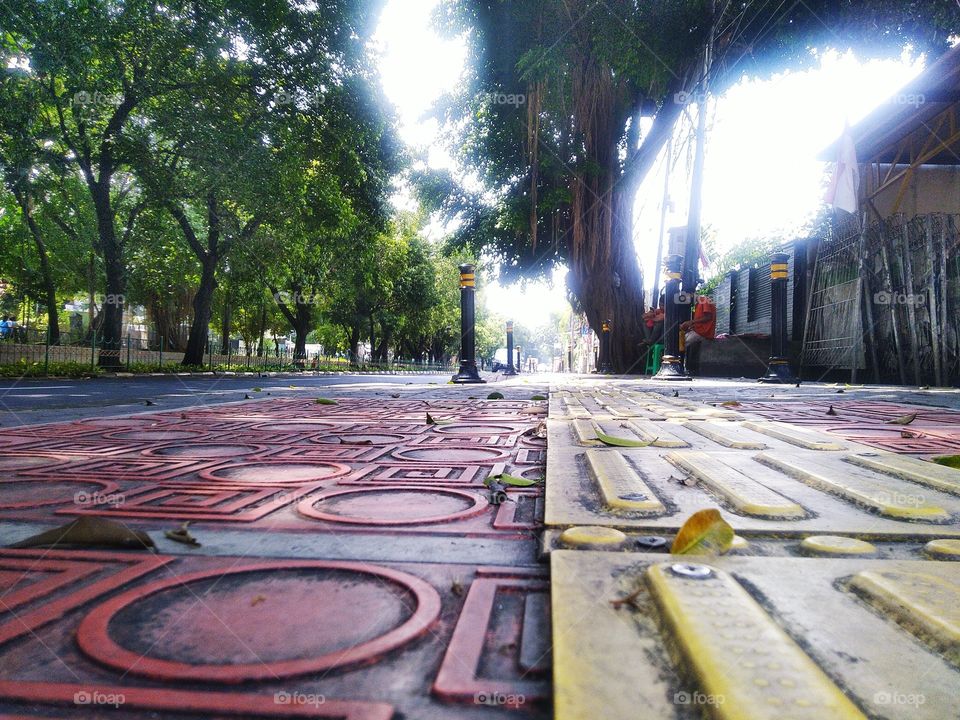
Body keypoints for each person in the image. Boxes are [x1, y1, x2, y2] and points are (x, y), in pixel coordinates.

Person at [680, 295, 716, 375]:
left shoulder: (704, 299)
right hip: (699, 331)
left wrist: (691, 322)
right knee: (681, 338)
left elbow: (708, 317)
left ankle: (681, 367)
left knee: (681, 343)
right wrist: (691, 326)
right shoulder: (698, 303)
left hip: (704, 332)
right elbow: (700, 321)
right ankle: (685, 367)